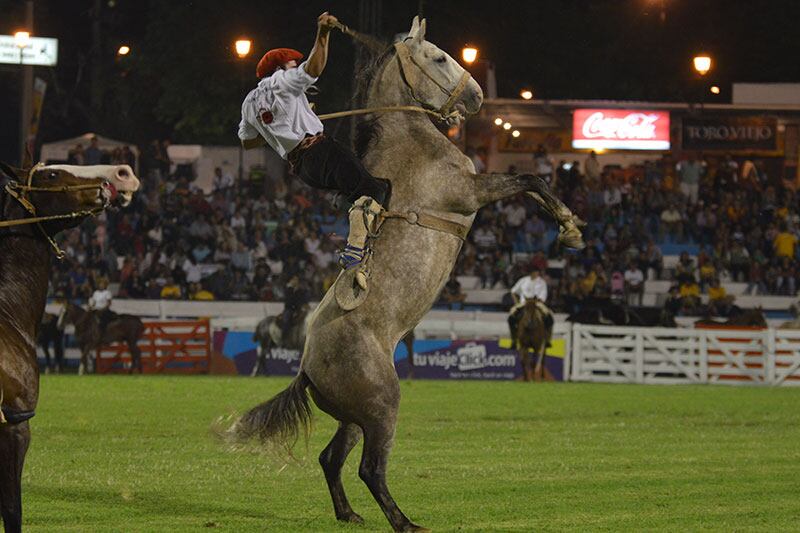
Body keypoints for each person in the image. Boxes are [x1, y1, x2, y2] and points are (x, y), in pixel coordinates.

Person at [238, 11, 390, 291]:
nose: (296, 67)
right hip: (320, 151)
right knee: (376, 191)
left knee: (374, 190)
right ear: (282, 67)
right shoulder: (280, 82)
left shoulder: (250, 102)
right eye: (292, 64)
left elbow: (248, 141)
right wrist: (323, 33)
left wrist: (281, 128)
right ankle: (355, 253)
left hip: (304, 169)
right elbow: (314, 68)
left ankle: (345, 204)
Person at [507, 267, 553, 348]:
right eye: (535, 272)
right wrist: (516, 303)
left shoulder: (542, 282)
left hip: (537, 303)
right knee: (511, 317)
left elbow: (543, 297)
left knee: (549, 317)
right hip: (523, 303)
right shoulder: (523, 280)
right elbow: (513, 291)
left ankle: (547, 340)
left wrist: (536, 302)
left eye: (537, 272)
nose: (536, 274)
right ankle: (514, 340)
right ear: (531, 272)